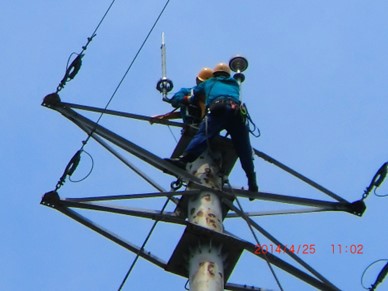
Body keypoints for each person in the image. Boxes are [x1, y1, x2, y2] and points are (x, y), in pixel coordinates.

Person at [168, 63, 258, 192]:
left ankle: (184, 160)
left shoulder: (208, 83)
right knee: (244, 149)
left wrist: (186, 100)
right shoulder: (234, 83)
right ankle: (252, 179)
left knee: (203, 135)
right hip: (237, 113)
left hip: (219, 110)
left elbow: (191, 98)